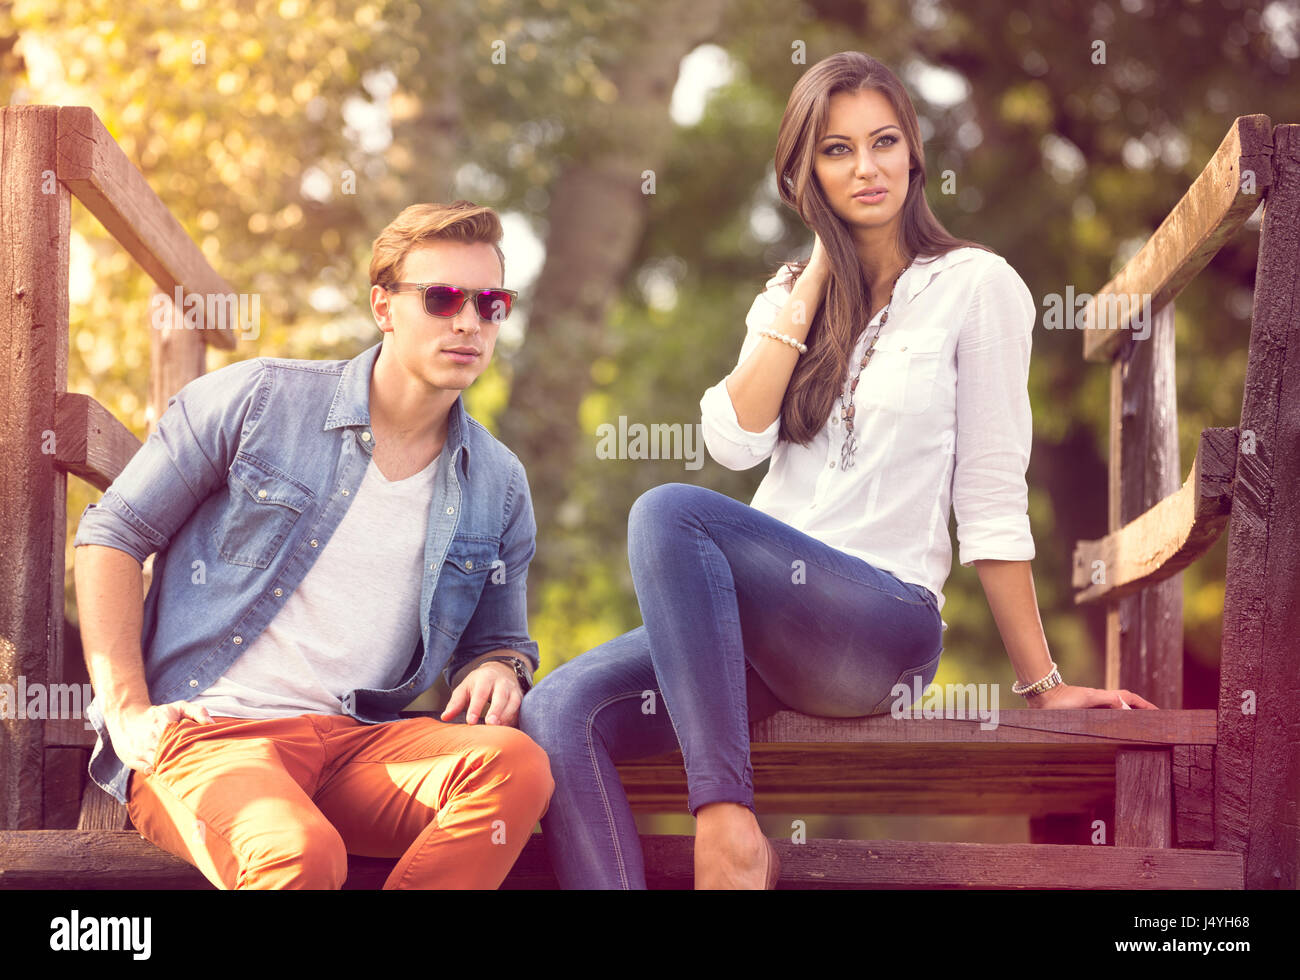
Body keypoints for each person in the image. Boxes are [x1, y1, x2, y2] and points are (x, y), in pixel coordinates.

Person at [519, 51, 1157, 891]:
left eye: (884, 142)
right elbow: (734, 440)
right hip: (754, 637)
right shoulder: (789, 294)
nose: (867, 168)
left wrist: (1042, 685)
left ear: (914, 154)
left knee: (667, 513)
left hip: (878, 630)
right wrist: (818, 276)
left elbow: (992, 495)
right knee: (557, 710)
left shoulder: (976, 285)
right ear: (803, 173)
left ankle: (727, 825)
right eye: (837, 150)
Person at [73, 201, 553, 889]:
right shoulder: (260, 401)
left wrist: (500, 667)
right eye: (442, 297)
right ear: (384, 308)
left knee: (516, 765)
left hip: (358, 743)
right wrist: (126, 713)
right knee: (301, 859)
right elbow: (111, 534)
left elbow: (499, 642)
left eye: (491, 302)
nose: (469, 321)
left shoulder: (499, 483)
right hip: (211, 735)